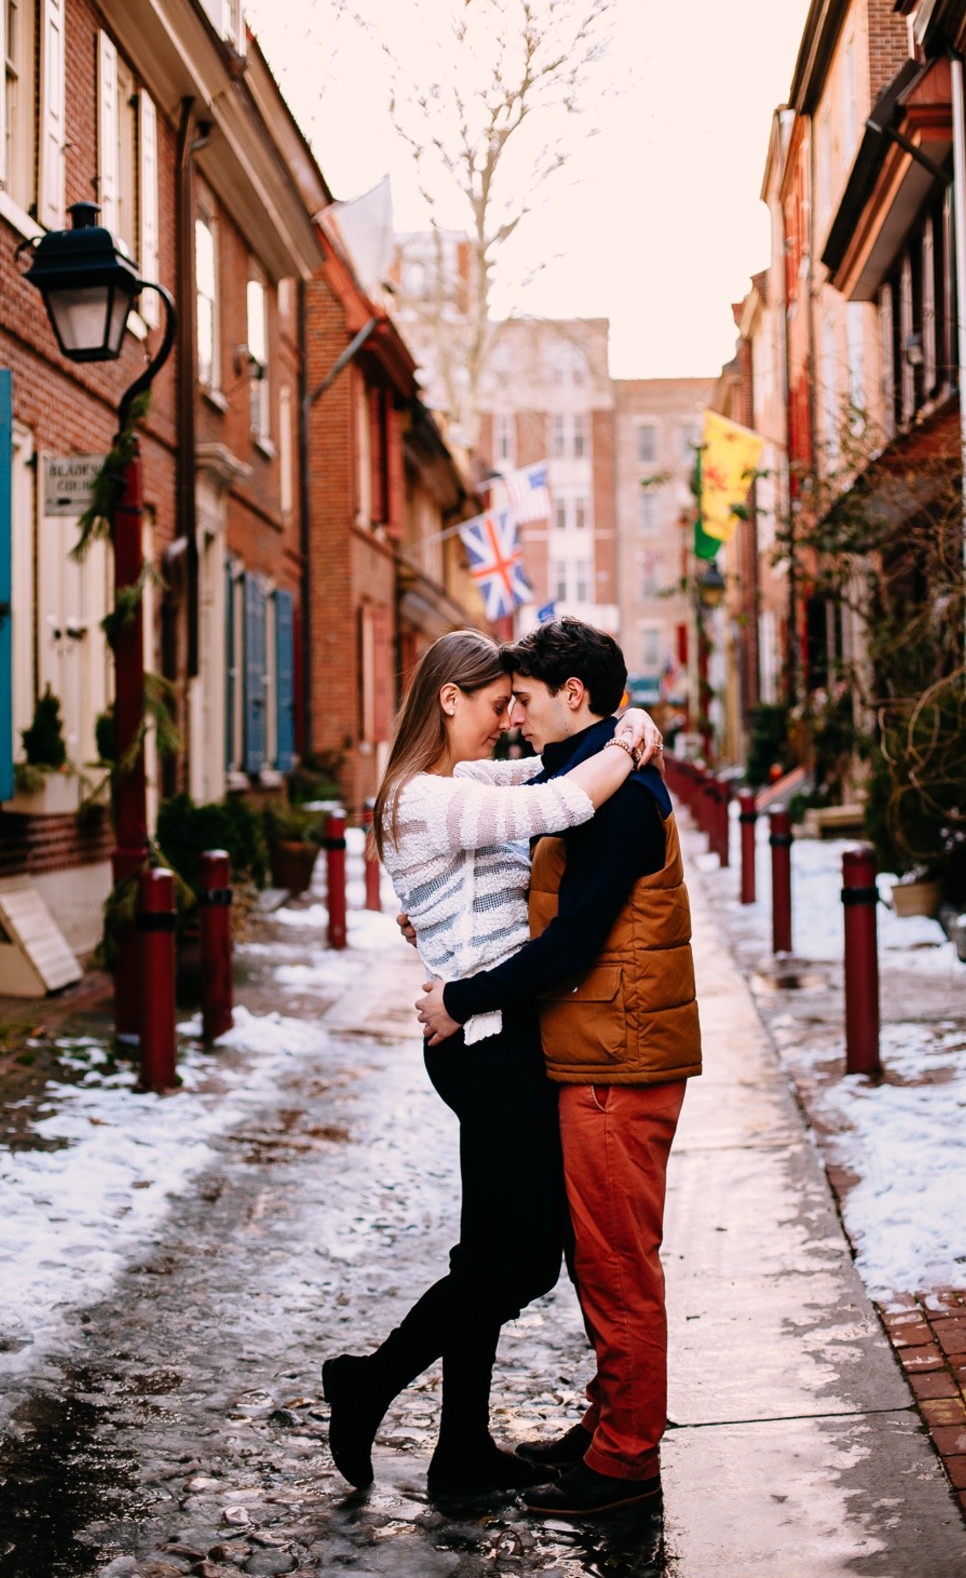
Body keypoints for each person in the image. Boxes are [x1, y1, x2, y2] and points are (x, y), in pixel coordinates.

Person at [320, 628, 659, 1498]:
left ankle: (460, 1452)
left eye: (519, 704)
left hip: (492, 1032)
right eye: (496, 704)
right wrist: (626, 737)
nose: (510, 722)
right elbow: (562, 805)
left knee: (485, 1257)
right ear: (447, 699)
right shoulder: (424, 798)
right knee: (522, 1263)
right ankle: (368, 1385)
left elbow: (553, 771)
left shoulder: (459, 783)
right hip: (487, 1042)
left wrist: (630, 722)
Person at [416, 617, 702, 1516]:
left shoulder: (614, 802)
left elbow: (573, 942)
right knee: (598, 1261)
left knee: (618, 1266)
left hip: (620, 1058)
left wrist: (461, 1000)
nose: (515, 721)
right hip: (598, 1052)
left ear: (573, 697)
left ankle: (624, 1462)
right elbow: (520, 805)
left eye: (528, 702)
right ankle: (610, 1421)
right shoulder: (586, 774)